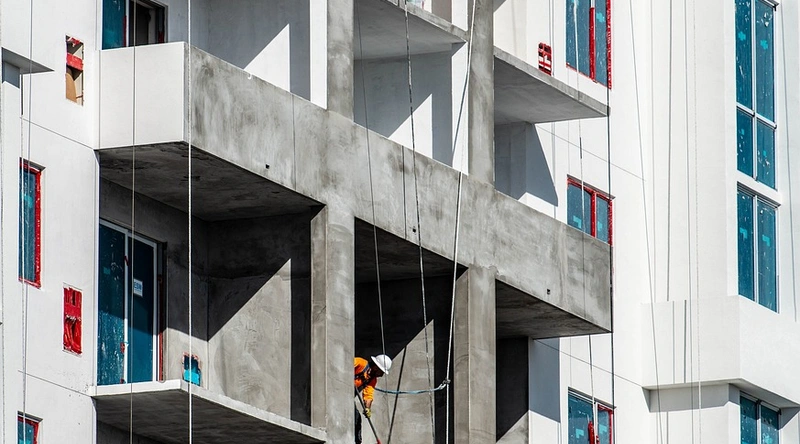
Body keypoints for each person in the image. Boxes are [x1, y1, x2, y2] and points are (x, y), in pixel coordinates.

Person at [354, 354, 392, 444]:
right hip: (340, 388)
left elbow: (368, 395)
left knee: (357, 418)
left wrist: (367, 408)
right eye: (381, 371)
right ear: (376, 367)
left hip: (348, 394)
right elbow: (345, 365)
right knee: (355, 416)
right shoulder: (361, 363)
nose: (382, 375)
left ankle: (357, 441)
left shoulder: (372, 379)